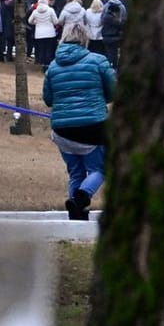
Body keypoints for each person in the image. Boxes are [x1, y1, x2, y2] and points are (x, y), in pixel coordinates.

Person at [41, 28, 115, 220]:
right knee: (101, 168)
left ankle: (76, 211)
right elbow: (114, 90)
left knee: (76, 173)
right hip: (93, 126)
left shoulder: (53, 67)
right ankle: (82, 198)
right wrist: (100, 99)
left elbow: (48, 99)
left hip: (62, 129)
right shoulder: (98, 61)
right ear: (85, 40)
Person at [30, 0, 61, 65]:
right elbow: (56, 21)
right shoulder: (50, 10)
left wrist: (36, 22)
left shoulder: (35, 11)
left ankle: (42, 63)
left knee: (41, 49)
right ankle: (48, 63)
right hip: (50, 33)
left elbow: (30, 21)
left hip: (39, 34)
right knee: (49, 49)